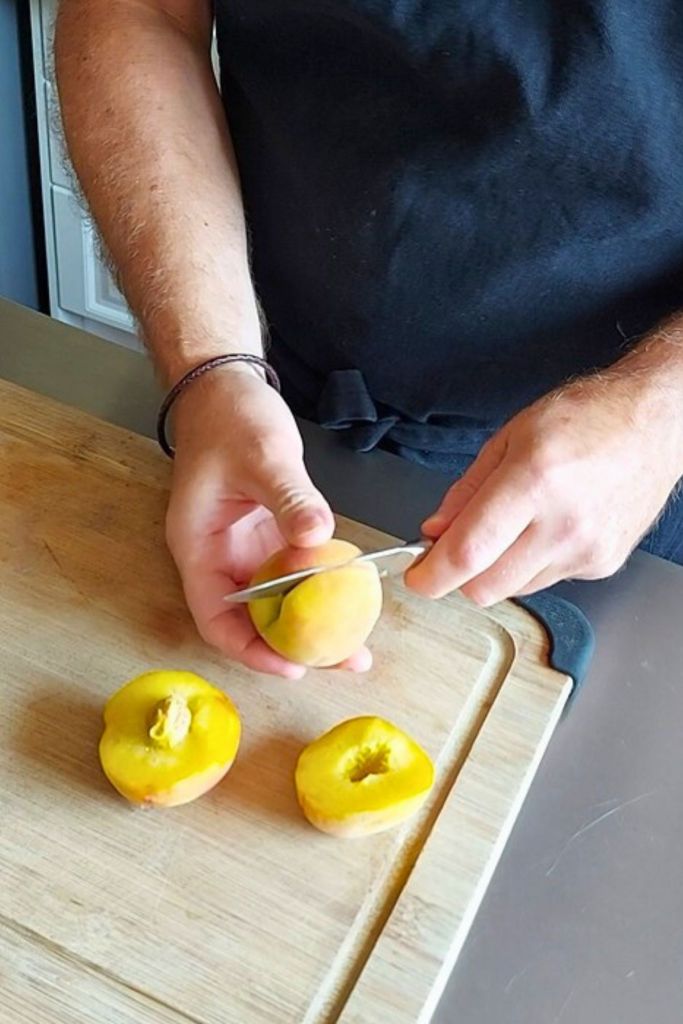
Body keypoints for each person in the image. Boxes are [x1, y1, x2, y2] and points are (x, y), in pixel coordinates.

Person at [55, 1, 683, 677]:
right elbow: (138, 12)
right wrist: (211, 367)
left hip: (628, 463)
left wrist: (657, 414)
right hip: (258, 385)